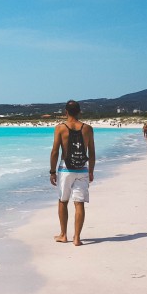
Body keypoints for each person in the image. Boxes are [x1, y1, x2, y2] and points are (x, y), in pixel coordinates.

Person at [50, 100, 95, 246]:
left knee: (63, 201)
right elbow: (92, 153)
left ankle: (63, 235)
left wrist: (52, 171)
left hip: (66, 169)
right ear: (79, 112)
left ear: (66, 112)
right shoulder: (88, 128)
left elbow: (55, 151)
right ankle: (77, 238)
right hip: (82, 168)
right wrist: (91, 171)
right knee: (79, 203)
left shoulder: (60, 128)